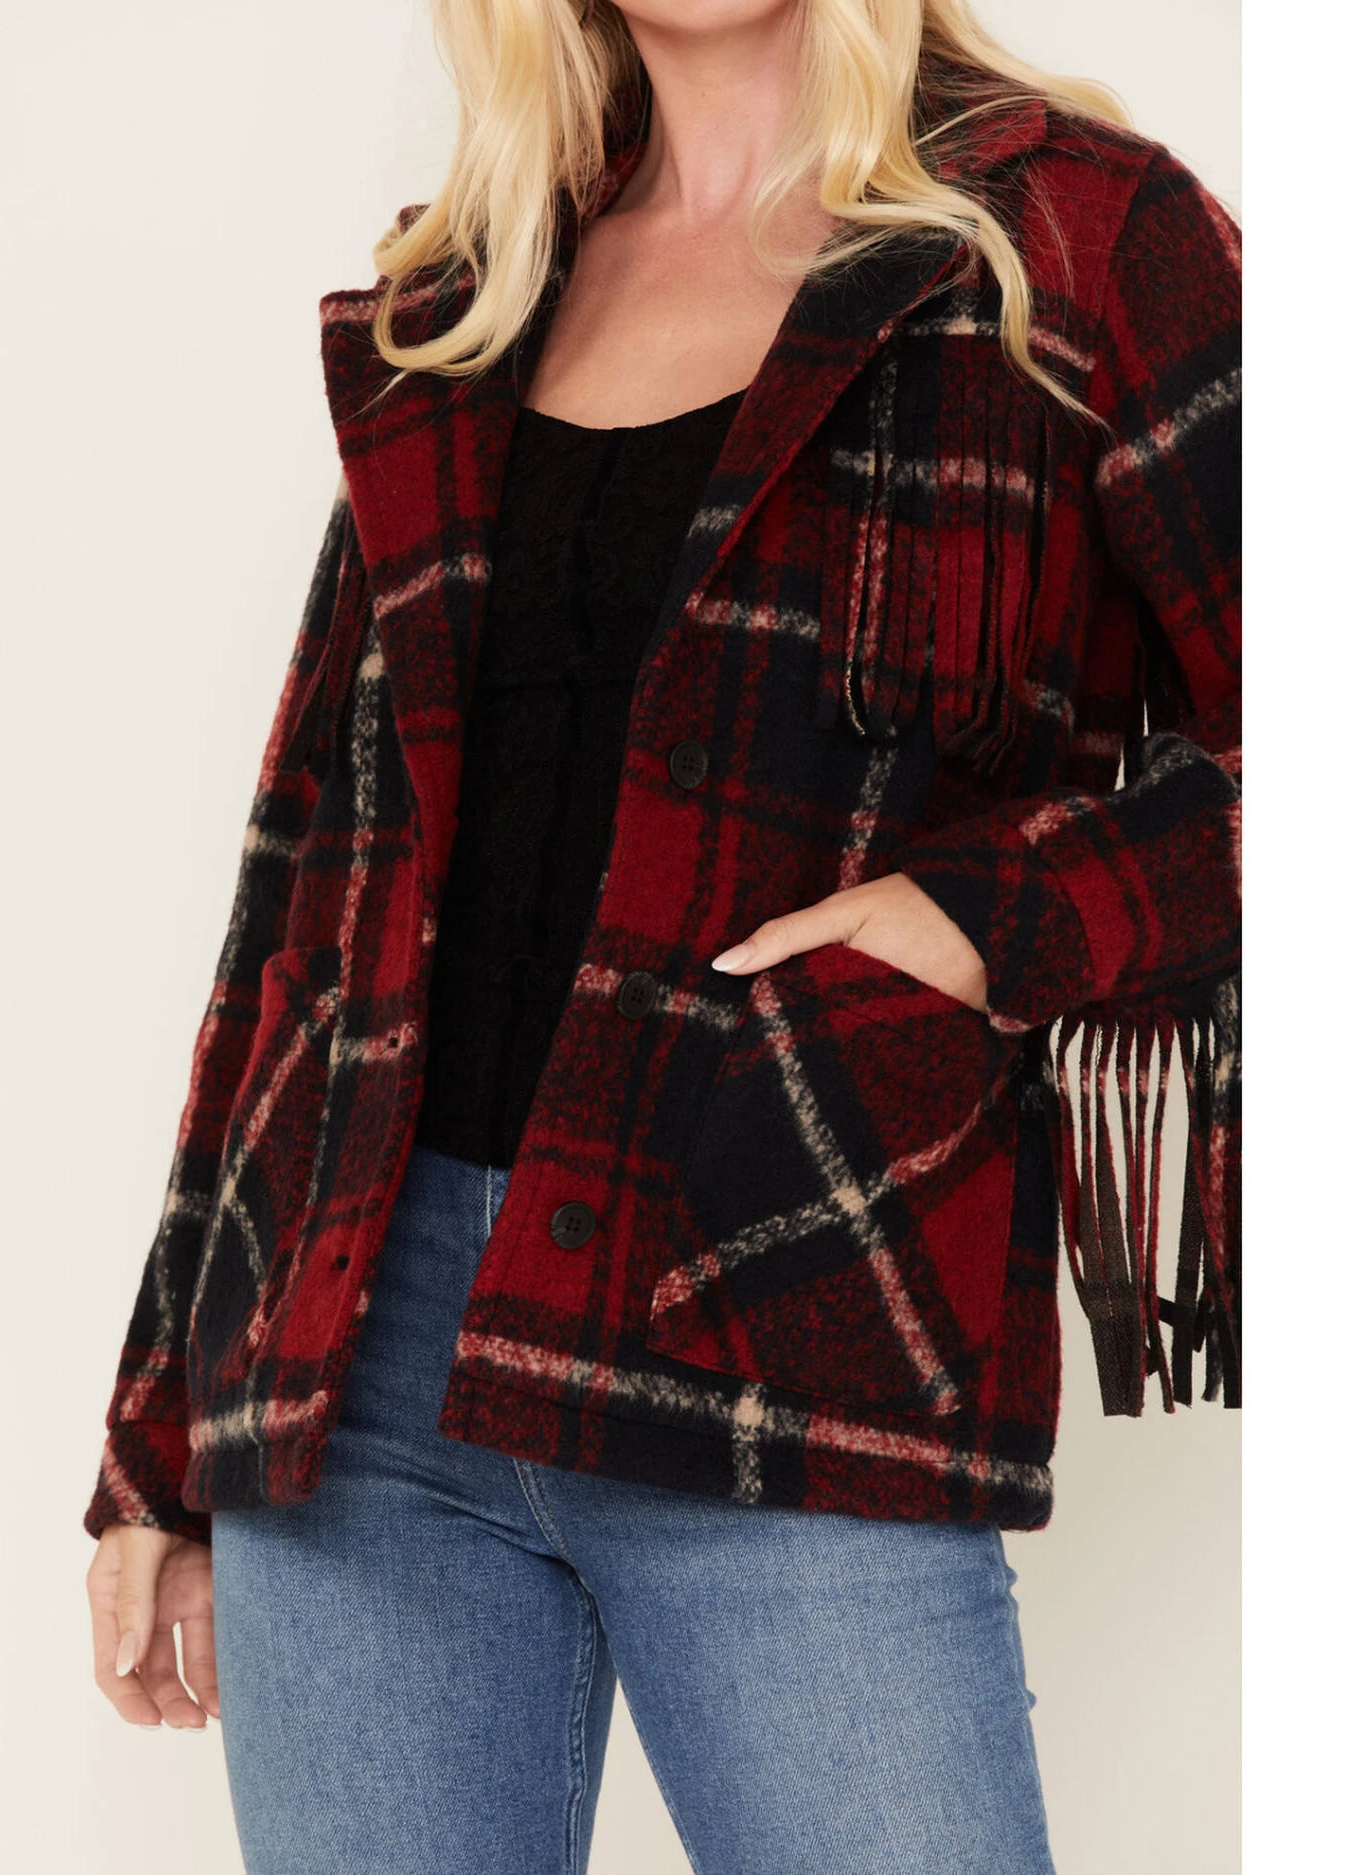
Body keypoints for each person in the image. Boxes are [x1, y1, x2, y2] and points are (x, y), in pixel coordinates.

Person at [83, 3, 1241, 1870]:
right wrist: (161, 1425)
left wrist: (988, 917)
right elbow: (312, 870)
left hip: (797, 1320)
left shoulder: (1078, 240)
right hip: (355, 1364)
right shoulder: (475, 285)